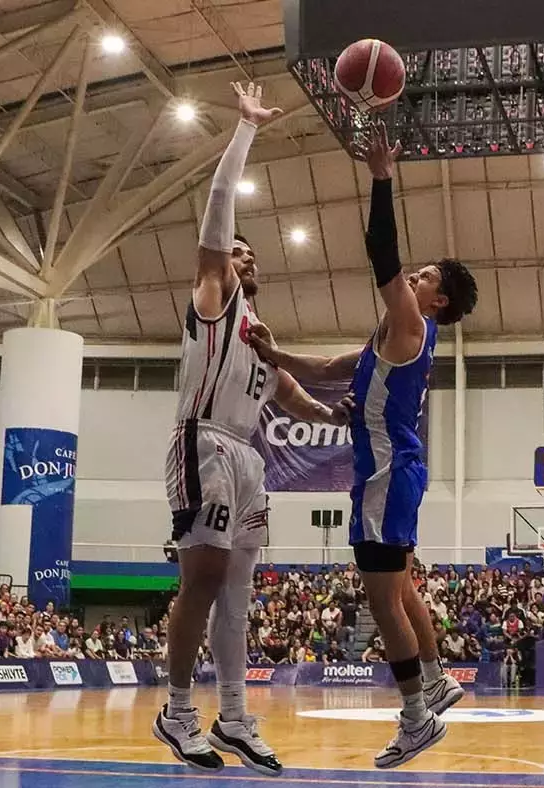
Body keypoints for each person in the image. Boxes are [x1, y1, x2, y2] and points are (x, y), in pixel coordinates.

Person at [250, 121, 478, 769]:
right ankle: (433, 680)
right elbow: (326, 367)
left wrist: (382, 177)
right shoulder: (388, 337)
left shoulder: (411, 322)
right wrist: (274, 352)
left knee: (381, 601)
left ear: (435, 300)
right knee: (401, 590)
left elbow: (381, 251)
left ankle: (415, 717)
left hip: (386, 473)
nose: (414, 277)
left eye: (425, 275)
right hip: (394, 471)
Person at [152, 82, 353, 777]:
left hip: (248, 459)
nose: (245, 258)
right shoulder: (213, 299)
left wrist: (335, 416)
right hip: (201, 442)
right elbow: (217, 212)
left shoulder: (258, 333)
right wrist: (244, 130)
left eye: (249, 254)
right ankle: (177, 711)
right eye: (236, 252)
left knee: (238, 592)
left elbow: (288, 392)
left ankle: (233, 715)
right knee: (202, 578)